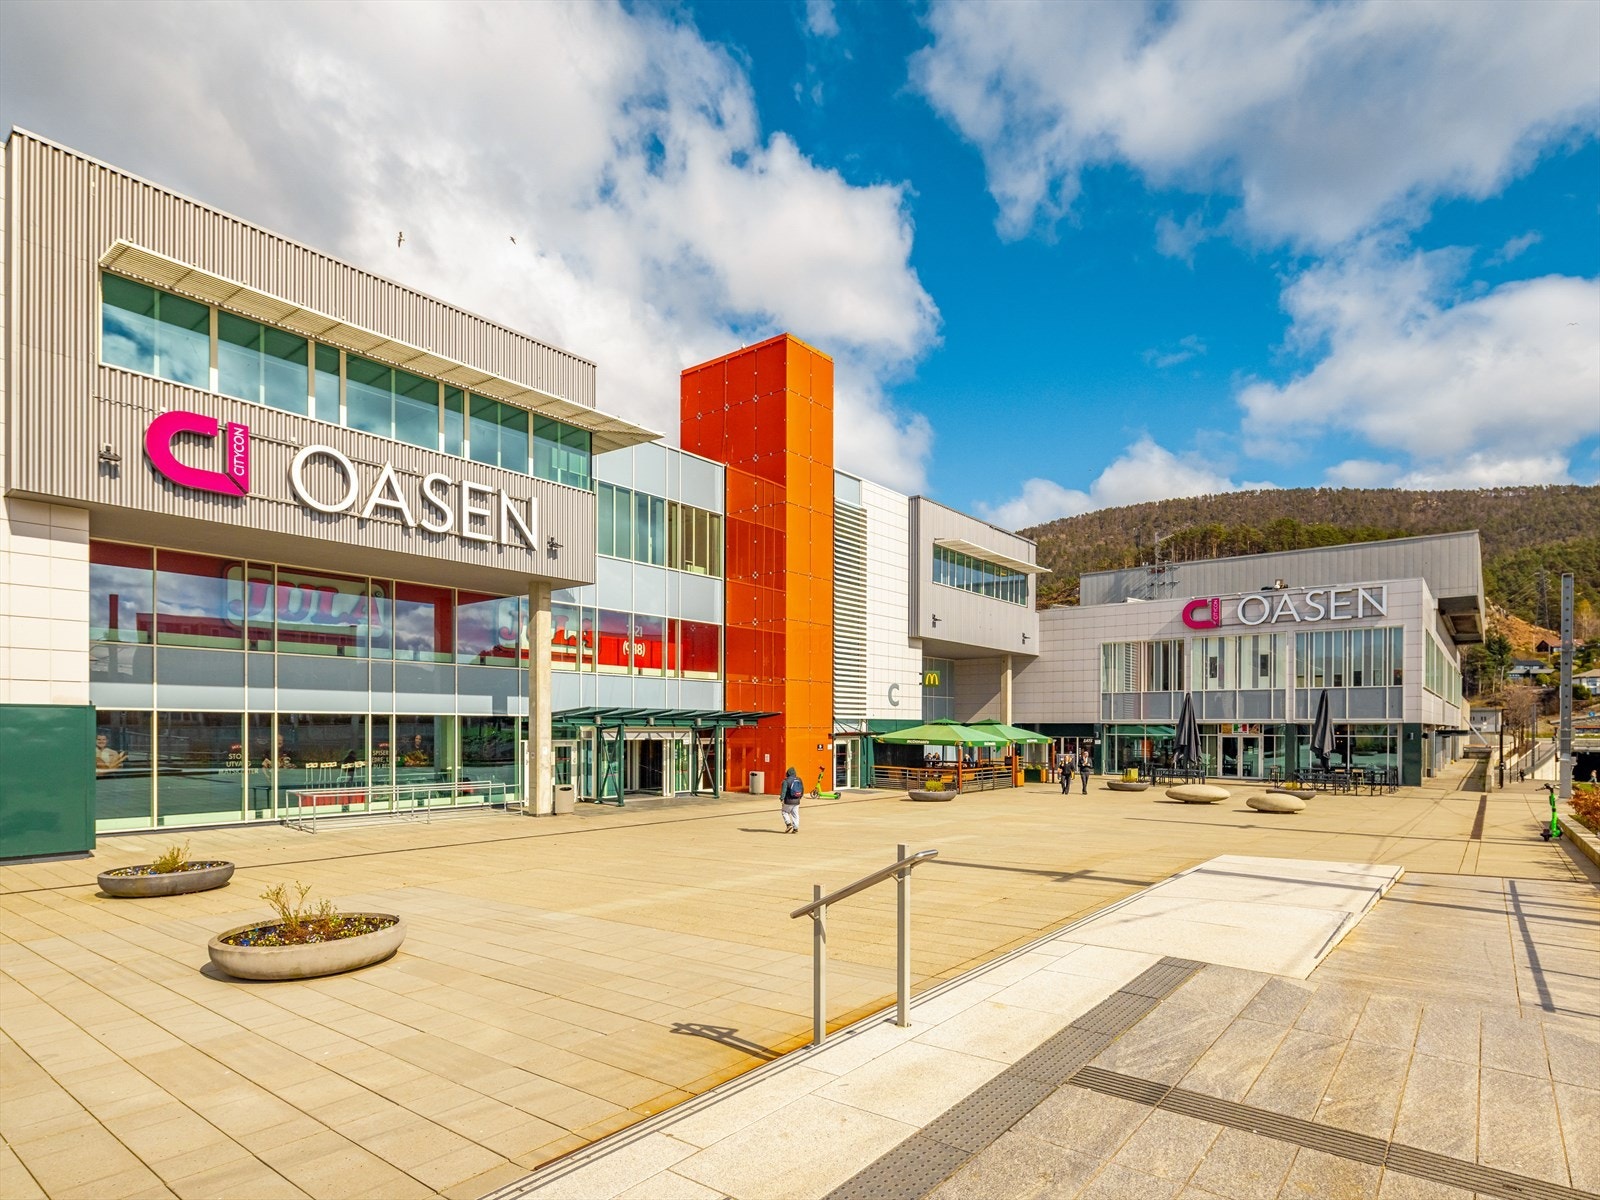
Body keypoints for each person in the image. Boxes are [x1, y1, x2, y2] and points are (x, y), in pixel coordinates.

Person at [780, 766, 803, 833]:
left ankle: (788, 824)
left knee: (784, 812)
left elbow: (783, 791)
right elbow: (802, 789)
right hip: (797, 800)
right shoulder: (799, 779)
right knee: (795, 814)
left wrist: (782, 798)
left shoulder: (786, 781)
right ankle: (795, 828)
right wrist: (800, 797)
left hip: (788, 800)